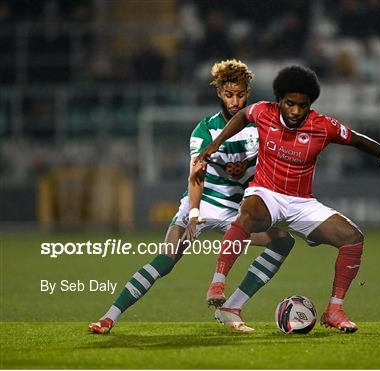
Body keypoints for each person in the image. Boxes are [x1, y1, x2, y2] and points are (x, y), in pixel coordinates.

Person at [198, 65, 380, 333]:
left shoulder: (323, 126)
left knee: (353, 238)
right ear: (280, 100)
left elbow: (358, 140)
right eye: (290, 104)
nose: (296, 111)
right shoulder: (263, 111)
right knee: (249, 212)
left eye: (303, 105)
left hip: (301, 203)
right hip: (266, 194)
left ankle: (334, 310)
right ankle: (218, 283)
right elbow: (241, 116)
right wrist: (215, 143)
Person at [89, 59, 295, 334]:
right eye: (229, 94)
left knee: (283, 242)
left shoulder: (260, 127)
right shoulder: (204, 130)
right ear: (219, 93)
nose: (235, 101)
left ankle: (231, 307)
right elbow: (195, 177)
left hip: (238, 209)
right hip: (204, 201)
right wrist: (195, 215)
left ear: (248, 91)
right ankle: (109, 317)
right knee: (165, 260)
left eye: (241, 94)